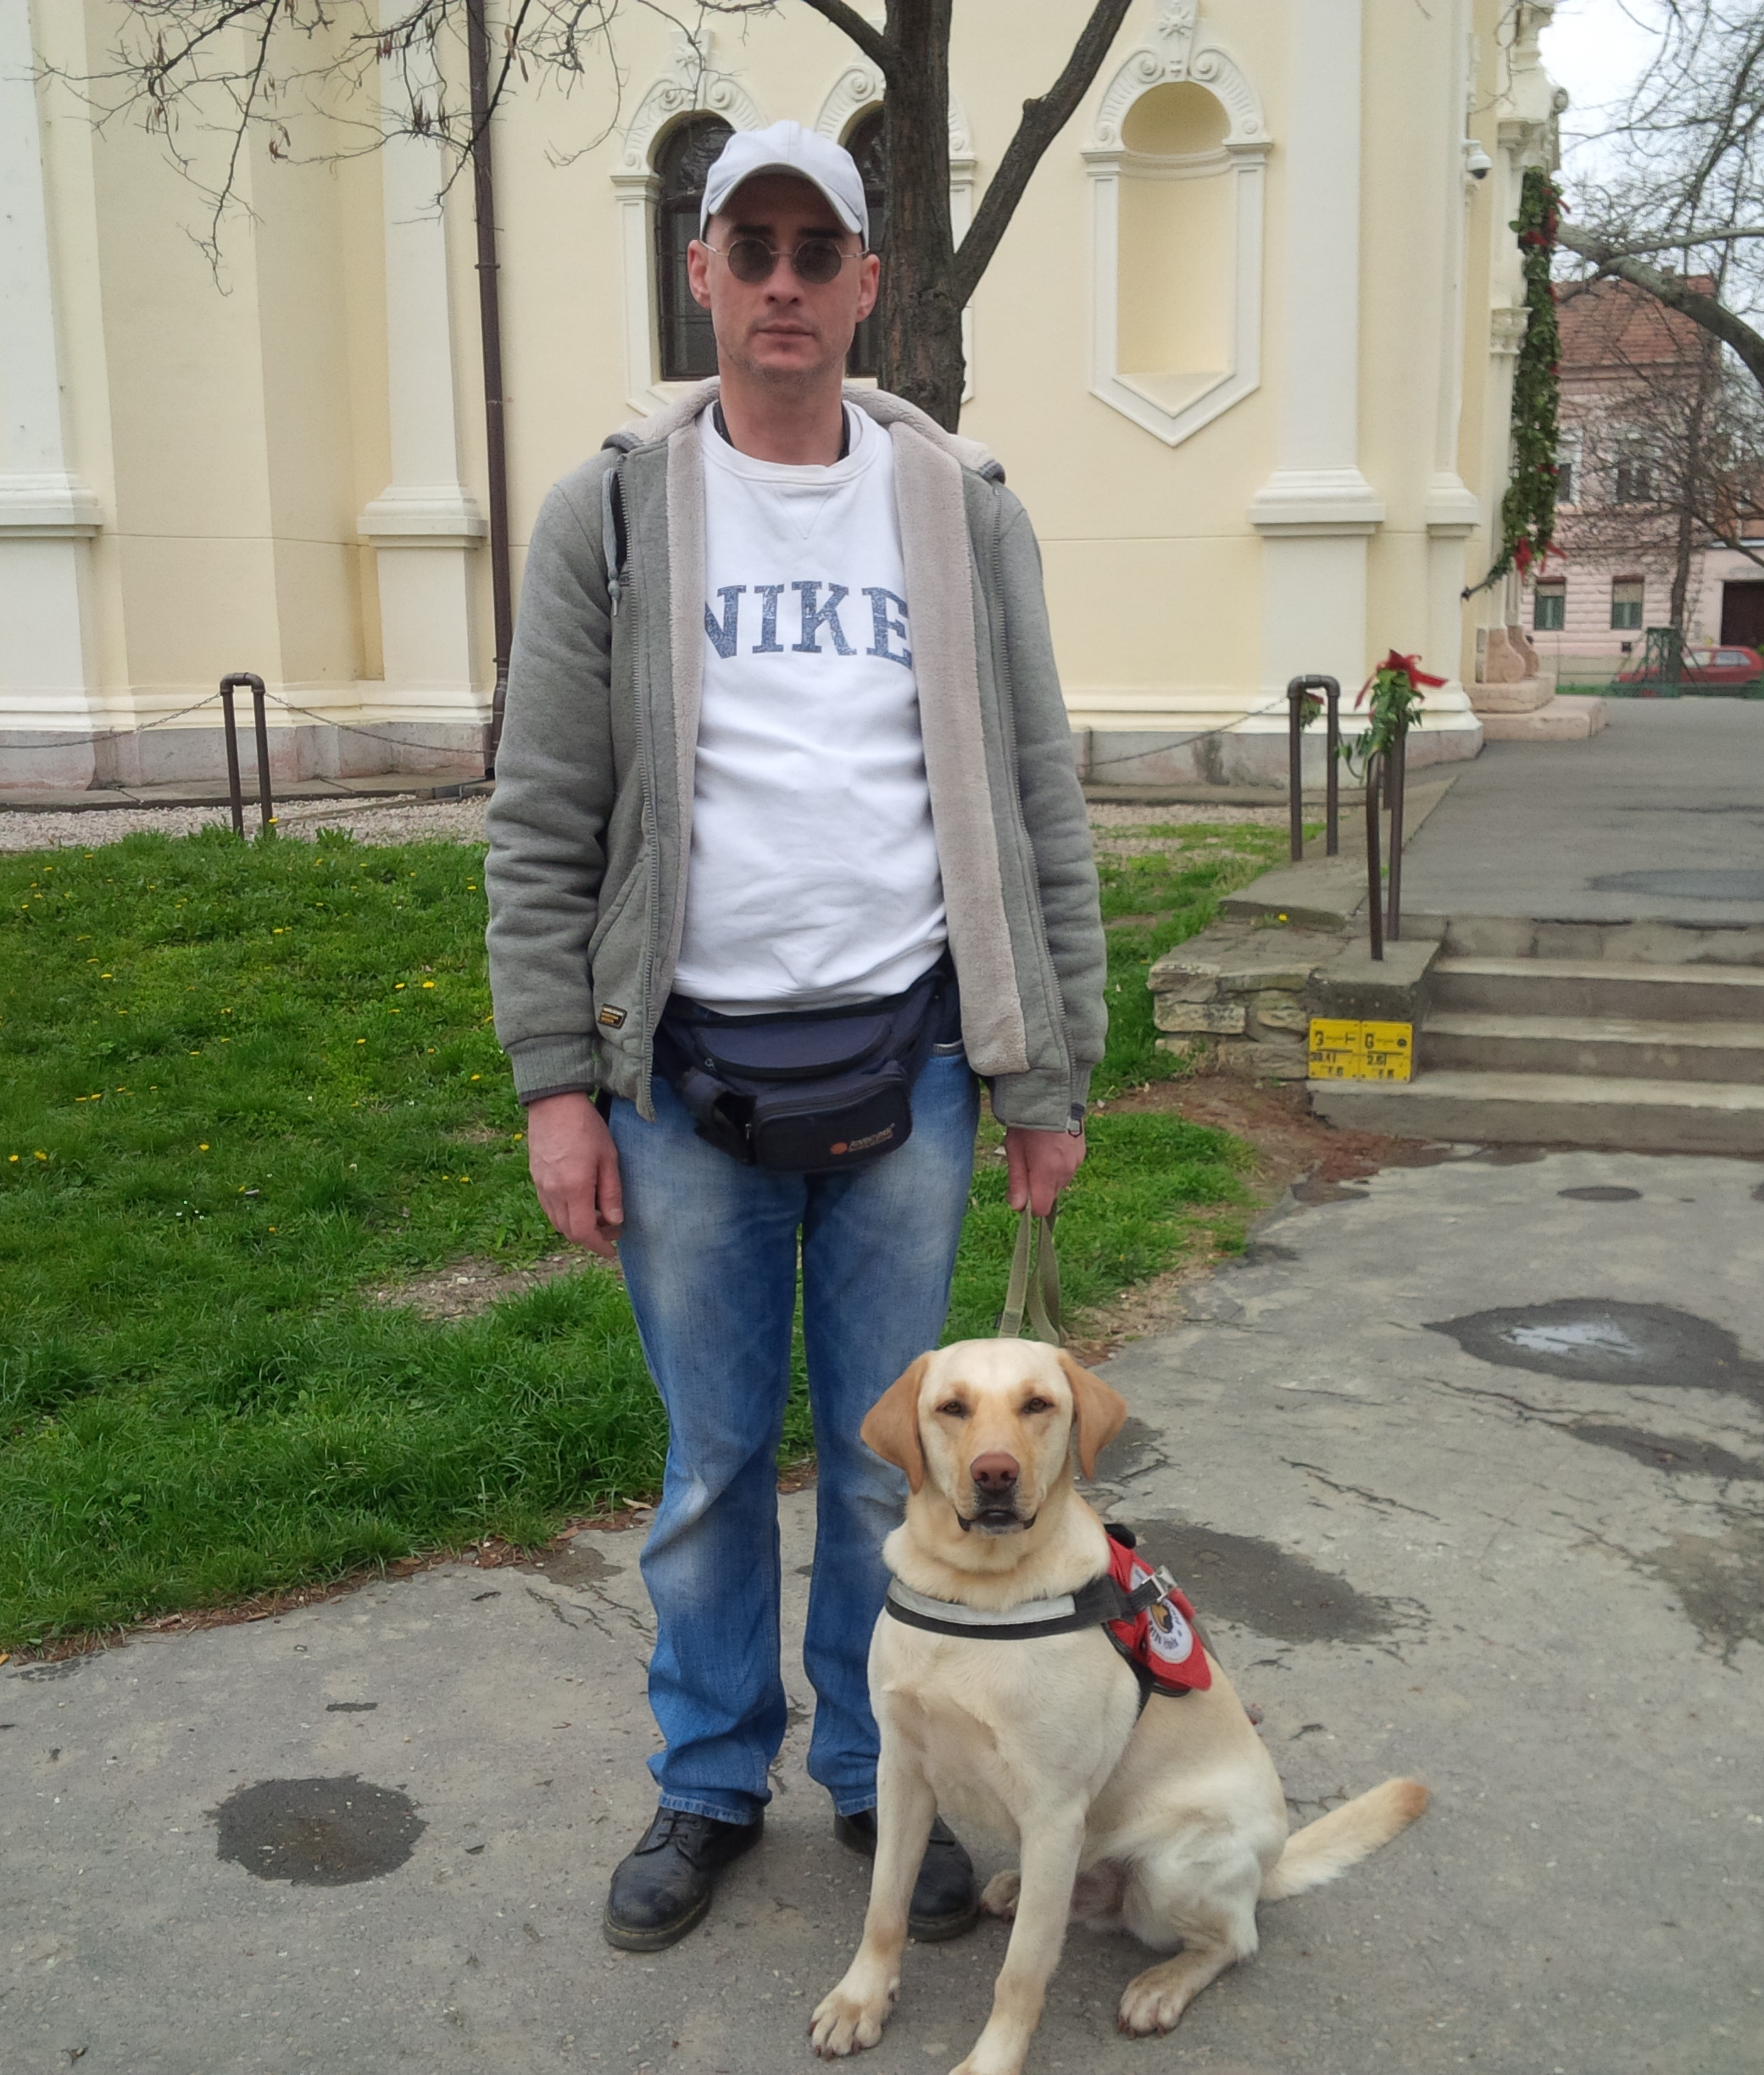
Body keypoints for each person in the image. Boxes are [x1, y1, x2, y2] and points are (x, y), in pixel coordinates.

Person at [483, 120, 1105, 1953]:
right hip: (681, 1081)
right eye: (743, 246)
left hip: (909, 1065)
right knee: (707, 1462)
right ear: (701, 275)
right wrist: (556, 1089)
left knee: (891, 1450)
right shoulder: (612, 507)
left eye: (811, 250)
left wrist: (1042, 1081)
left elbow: (1041, 804)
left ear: (863, 280)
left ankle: (876, 1784)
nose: (778, 282)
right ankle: (706, 1779)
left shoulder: (962, 504)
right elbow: (542, 813)